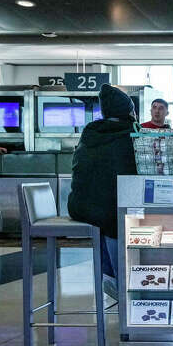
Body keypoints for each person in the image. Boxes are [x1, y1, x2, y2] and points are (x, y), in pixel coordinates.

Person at [68, 84, 138, 299]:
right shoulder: (129, 134)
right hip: (107, 210)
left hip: (79, 205)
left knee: (106, 213)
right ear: (128, 111)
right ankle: (119, 278)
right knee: (119, 215)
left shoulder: (90, 131)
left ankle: (108, 274)